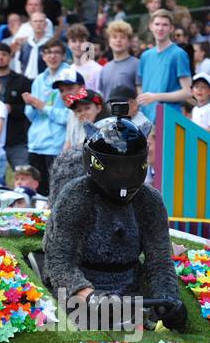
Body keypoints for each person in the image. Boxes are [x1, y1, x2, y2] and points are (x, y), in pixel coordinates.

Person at [42, 110, 186, 330]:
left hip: (130, 291)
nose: (123, 174)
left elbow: (159, 261)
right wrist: (88, 294)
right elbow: (59, 262)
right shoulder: (75, 196)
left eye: (129, 166)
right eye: (117, 167)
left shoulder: (150, 201)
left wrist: (167, 298)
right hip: (82, 293)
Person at [23, 40, 73, 195]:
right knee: (37, 192)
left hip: (57, 144)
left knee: (56, 193)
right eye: (48, 53)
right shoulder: (39, 79)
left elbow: (69, 116)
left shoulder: (70, 76)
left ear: (64, 55)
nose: (52, 56)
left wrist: (42, 106)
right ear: (43, 56)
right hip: (36, 142)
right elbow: (31, 116)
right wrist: (31, 104)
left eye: (57, 52)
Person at [136, 9, 192, 125]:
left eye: (165, 25)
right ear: (151, 26)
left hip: (169, 118)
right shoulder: (145, 56)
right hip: (146, 119)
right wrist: (143, 101)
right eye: (157, 24)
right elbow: (140, 85)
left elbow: (187, 92)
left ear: (171, 28)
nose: (160, 28)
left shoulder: (179, 54)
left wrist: (156, 97)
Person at [0, 42, 32, 173]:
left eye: (4, 54)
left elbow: (30, 109)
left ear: (10, 57)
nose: (0, 57)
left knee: (24, 176)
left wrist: (11, 109)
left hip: (16, 139)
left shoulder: (22, 81)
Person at [98, 20, 141, 102]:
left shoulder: (137, 64)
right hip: (109, 114)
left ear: (129, 42)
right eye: (114, 37)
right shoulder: (105, 68)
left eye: (123, 37)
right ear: (109, 41)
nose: (118, 40)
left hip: (129, 113)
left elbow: (141, 96)